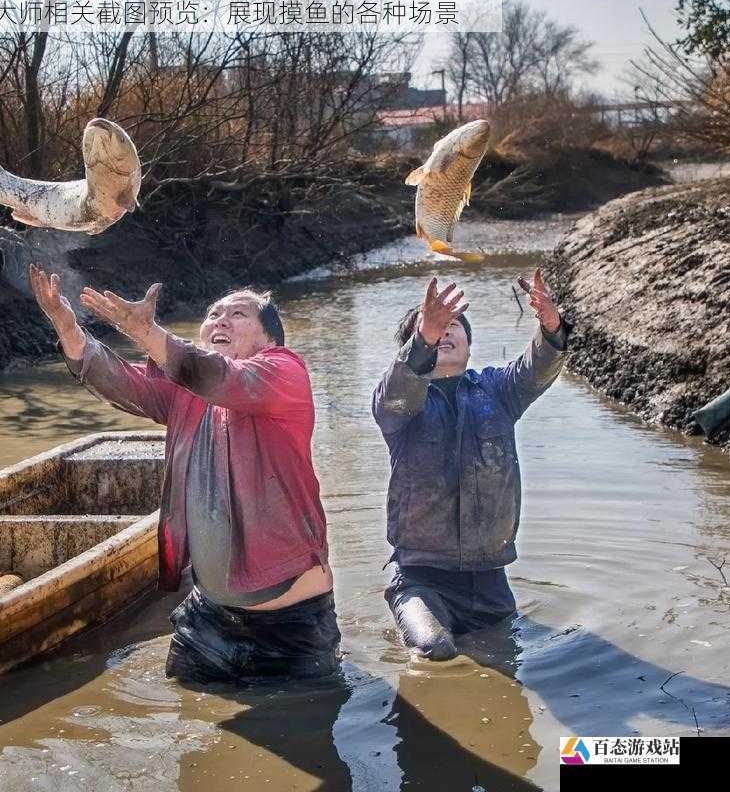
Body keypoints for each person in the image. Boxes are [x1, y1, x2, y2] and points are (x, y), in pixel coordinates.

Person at [28, 264, 339, 685]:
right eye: (213, 315)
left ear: (269, 337)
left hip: (289, 623)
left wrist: (147, 333)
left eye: (238, 314)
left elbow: (221, 377)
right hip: (209, 617)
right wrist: (68, 329)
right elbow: (121, 382)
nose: (220, 320)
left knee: (302, 729)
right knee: (188, 729)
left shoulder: (282, 373)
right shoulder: (185, 391)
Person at [372, 270, 567, 660]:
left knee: (505, 658)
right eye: (433, 327)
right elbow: (397, 391)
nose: (445, 331)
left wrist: (550, 329)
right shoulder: (399, 402)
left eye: (454, 325)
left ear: (469, 343)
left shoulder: (498, 391)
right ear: (416, 345)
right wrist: (424, 335)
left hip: (489, 577)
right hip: (421, 577)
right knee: (434, 649)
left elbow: (537, 368)